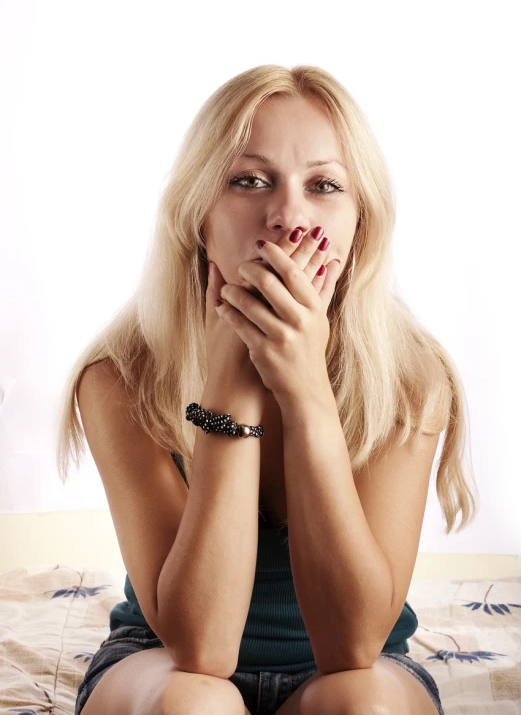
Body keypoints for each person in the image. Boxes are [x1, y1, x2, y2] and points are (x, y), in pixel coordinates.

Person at [55, 65, 478, 715]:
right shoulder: (120, 376)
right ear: (200, 215)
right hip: (163, 657)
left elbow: (352, 644)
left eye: (323, 185)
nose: (286, 217)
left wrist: (306, 390)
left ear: (359, 224)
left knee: (361, 702)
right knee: (191, 702)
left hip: (353, 667)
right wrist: (231, 386)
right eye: (249, 181)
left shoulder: (410, 378)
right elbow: (200, 648)